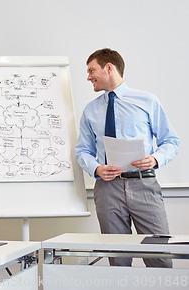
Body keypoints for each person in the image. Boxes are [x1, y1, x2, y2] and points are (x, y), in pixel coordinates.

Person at [75, 48, 179, 267]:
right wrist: (96, 168)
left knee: (159, 256)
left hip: (144, 185)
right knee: (118, 258)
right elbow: (82, 150)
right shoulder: (90, 110)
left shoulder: (147, 101)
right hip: (108, 189)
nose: (88, 77)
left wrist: (155, 159)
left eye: (92, 70)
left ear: (109, 68)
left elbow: (171, 141)